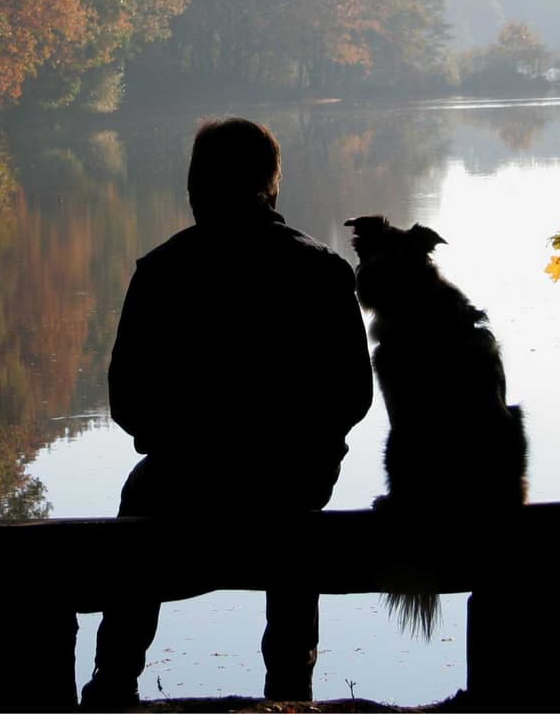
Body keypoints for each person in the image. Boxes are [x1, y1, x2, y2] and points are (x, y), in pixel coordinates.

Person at [80, 118, 374, 706]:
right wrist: (305, 445)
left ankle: (112, 685)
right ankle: (291, 686)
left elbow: (127, 400)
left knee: (139, 507)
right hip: (292, 480)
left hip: (183, 477)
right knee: (295, 530)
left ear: (195, 187)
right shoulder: (322, 270)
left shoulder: (161, 271)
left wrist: (180, 441)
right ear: (273, 187)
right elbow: (353, 396)